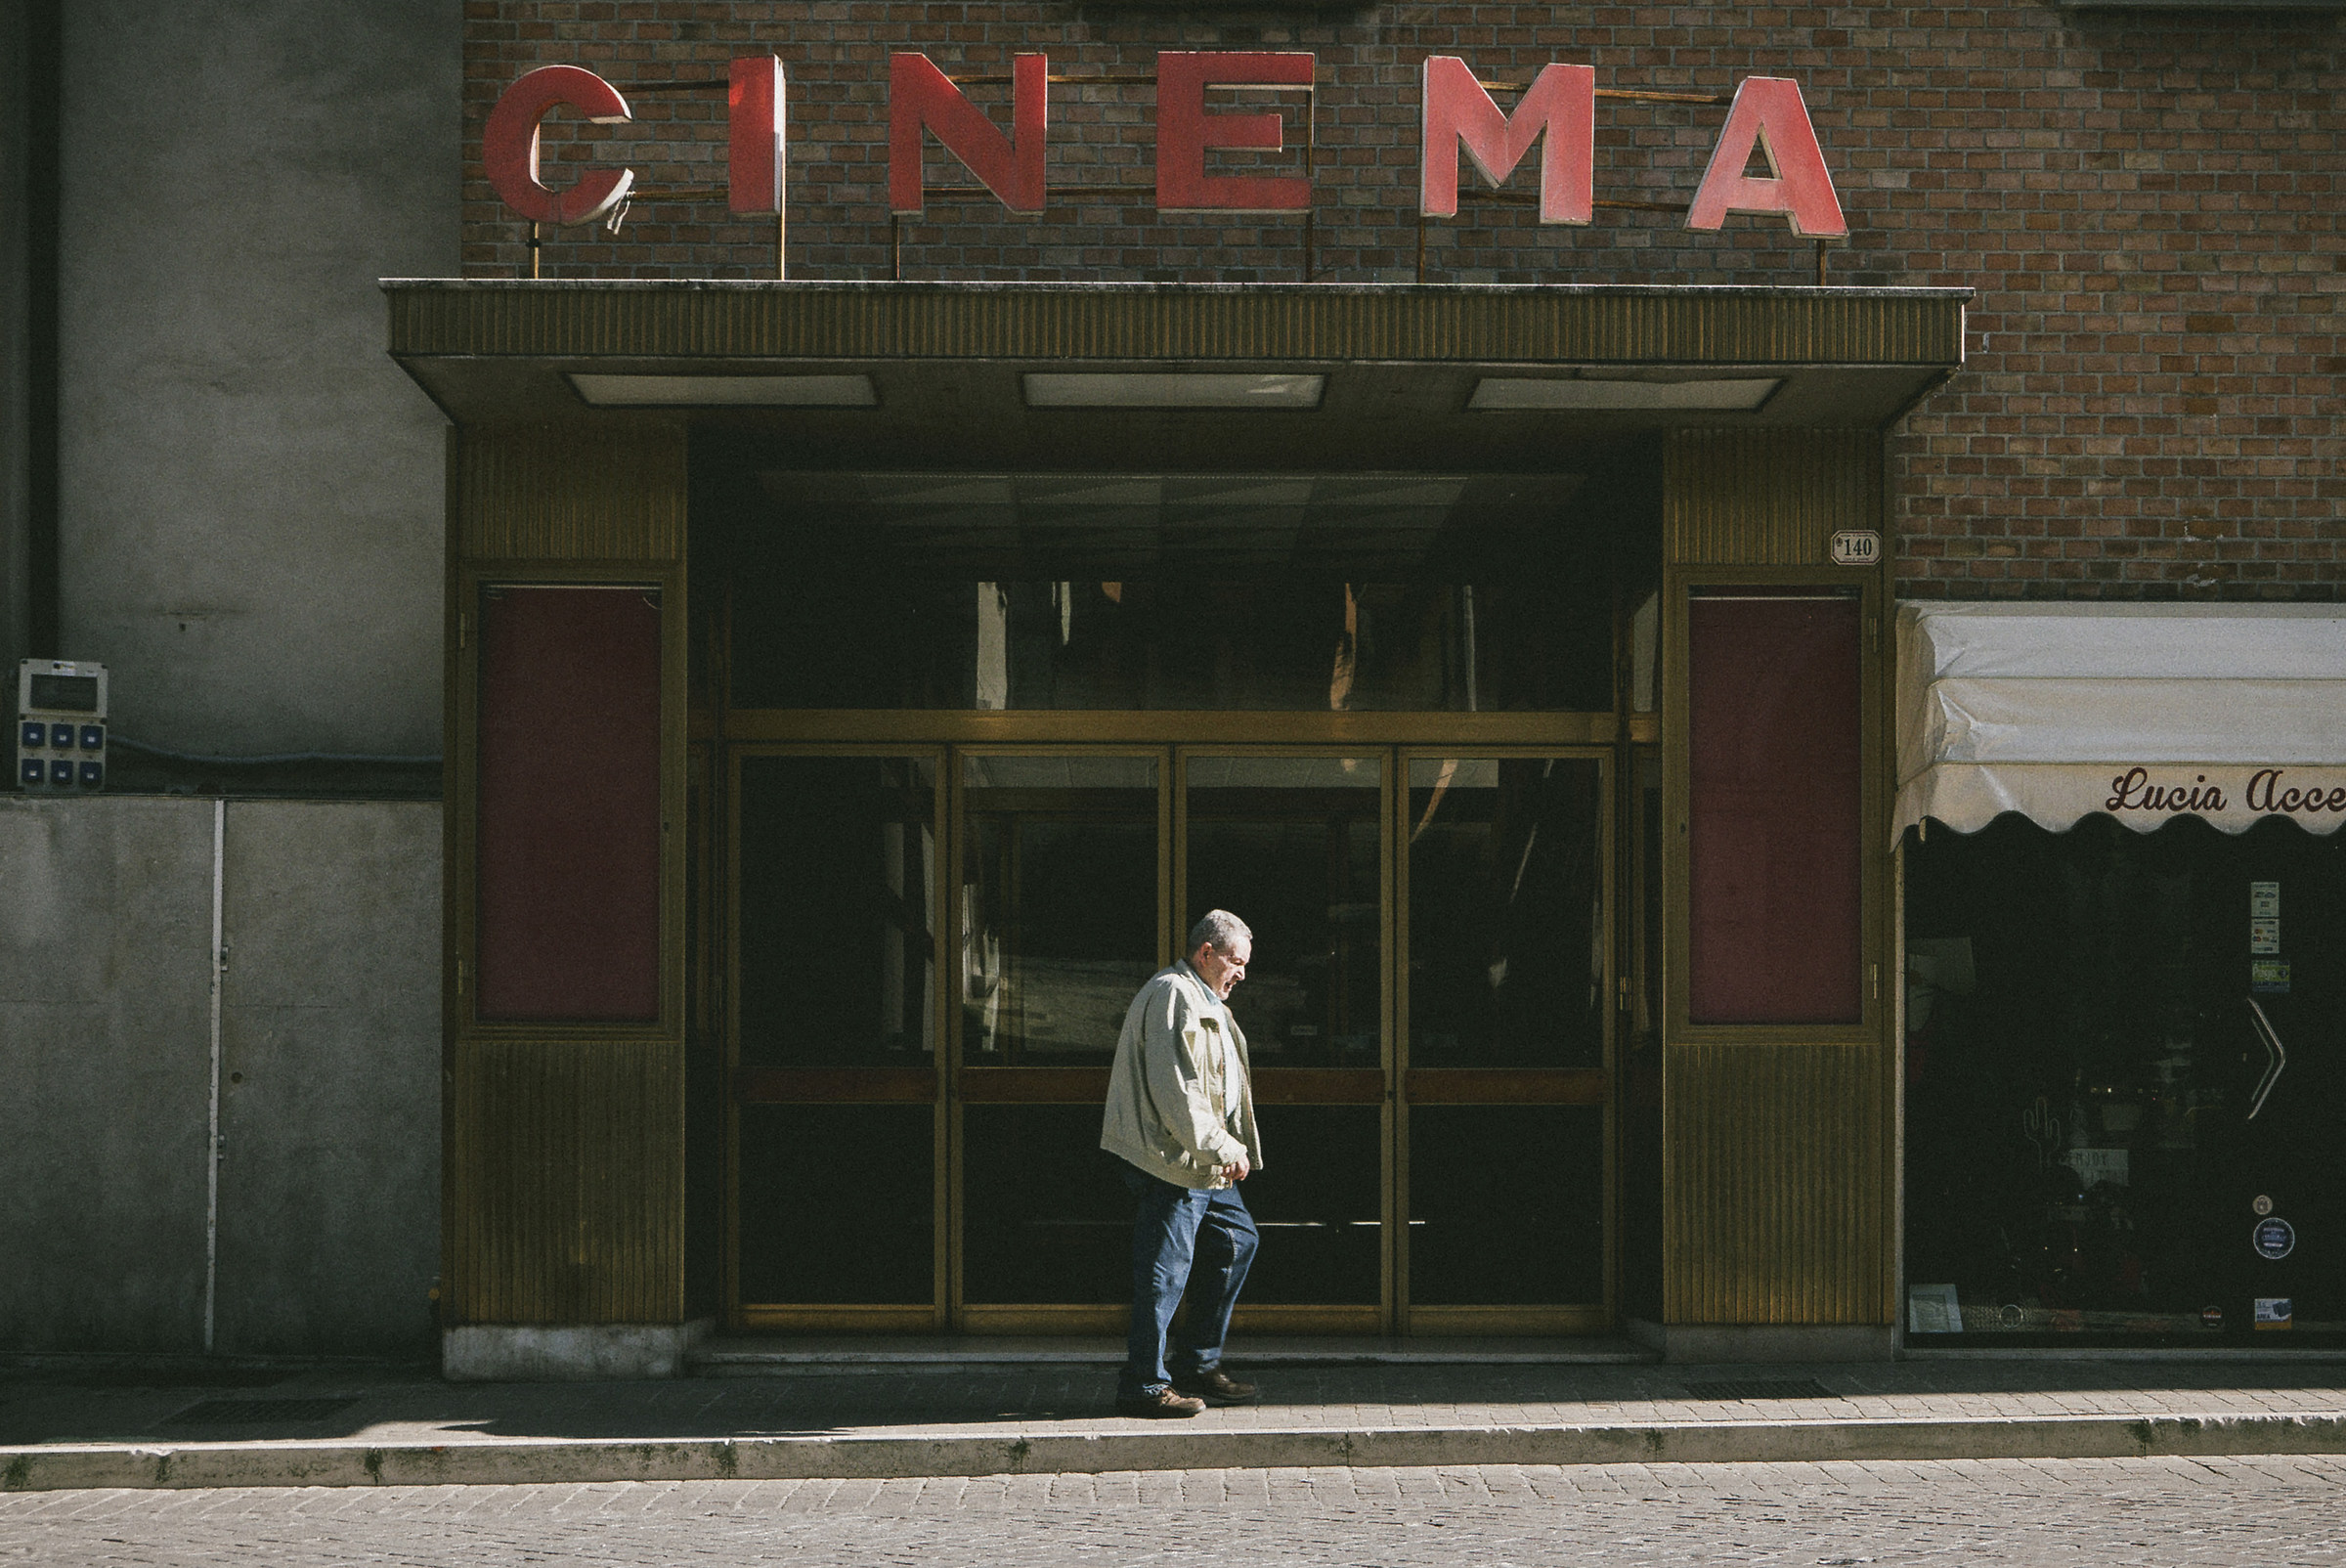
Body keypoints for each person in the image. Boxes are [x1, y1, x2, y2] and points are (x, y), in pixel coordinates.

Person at [1099, 909, 1266, 1417]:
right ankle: (1144, 1383)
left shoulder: (1203, 996)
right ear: (1206, 953)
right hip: (1173, 1159)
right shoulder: (1175, 993)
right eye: (1235, 961)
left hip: (1198, 1159)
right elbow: (1179, 1093)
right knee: (1165, 1272)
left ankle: (1196, 1363)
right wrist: (1223, 1147)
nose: (1241, 972)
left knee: (1236, 1241)